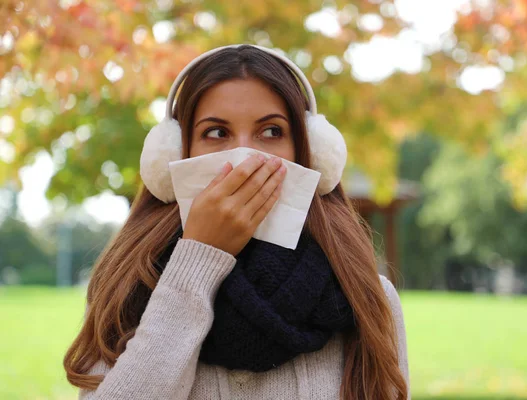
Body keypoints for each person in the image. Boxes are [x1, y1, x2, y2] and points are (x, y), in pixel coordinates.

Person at [63, 44, 410, 400]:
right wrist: (199, 256)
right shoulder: (127, 286)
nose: (245, 158)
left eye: (272, 132)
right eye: (216, 133)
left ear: (309, 154)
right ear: (176, 153)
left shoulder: (365, 296)